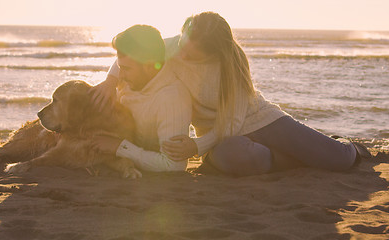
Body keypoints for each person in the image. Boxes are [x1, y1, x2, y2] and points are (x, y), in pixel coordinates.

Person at [94, 12, 366, 177]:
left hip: (258, 120)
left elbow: (232, 124)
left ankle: (349, 146)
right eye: (184, 44)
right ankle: (293, 158)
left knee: (338, 161)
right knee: (230, 158)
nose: (182, 54)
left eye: (192, 53)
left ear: (214, 53)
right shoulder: (175, 45)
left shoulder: (232, 68)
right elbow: (132, 55)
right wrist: (109, 81)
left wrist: (196, 146)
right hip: (221, 135)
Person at [90, 25, 192, 172]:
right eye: (120, 68)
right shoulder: (134, 80)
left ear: (150, 66)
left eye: (127, 69)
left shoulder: (171, 99)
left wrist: (119, 147)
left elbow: (173, 165)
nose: (121, 76)